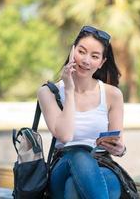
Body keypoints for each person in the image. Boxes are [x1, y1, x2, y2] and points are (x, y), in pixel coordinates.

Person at [38, 25, 126, 199]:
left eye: (94, 56)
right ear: (72, 51)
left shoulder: (113, 95)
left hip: (102, 165)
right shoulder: (48, 92)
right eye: (82, 51)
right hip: (62, 167)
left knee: (74, 188)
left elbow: (119, 143)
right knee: (78, 155)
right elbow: (65, 135)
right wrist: (69, 90)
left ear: (101, 62)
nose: (86, 60)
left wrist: (120, 149)